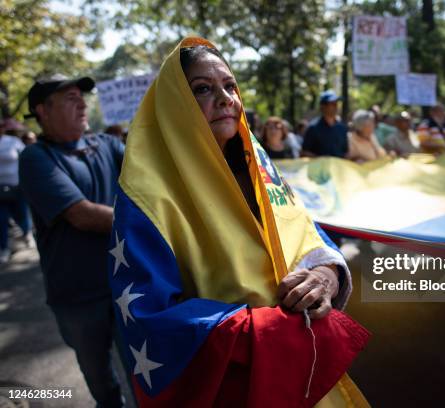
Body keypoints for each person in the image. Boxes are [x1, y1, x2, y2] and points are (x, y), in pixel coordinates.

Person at [111, 37, 369, 406]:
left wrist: (326, 274)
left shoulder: (258, 165)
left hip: (305, 369)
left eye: (230, 86)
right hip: (237, 384)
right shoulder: (145, 196)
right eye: (202, 89)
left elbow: (304, 230)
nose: (225, 98)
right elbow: (148, 316)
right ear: (175, 105)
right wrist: (267, 328)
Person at [19, 74, 126, 407]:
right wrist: (151, 223)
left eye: (82, 97)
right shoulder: (36, 158)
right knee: (101, 379)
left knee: (146, 371)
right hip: (78, 297)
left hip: (127, 287)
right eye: (69, 97)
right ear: (42, 110)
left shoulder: (107, 145)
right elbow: (82, 214)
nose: (82, 103)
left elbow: (153, 173)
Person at [0, 121, 32, 262]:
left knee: (22, 214)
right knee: (1, 220)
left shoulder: (13, 141)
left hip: (17, 187)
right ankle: (4, 248)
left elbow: (25, 157)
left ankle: (27, 234)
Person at [301, 90, 349, 157]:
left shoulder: (342, 128)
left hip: (338, 166)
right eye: (332, 103)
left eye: (336, 103)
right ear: (323, 106)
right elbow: (304, 152)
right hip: (318, 167)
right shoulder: (313, 128)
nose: (335, 106)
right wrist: (321, 159)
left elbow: (346, 151)